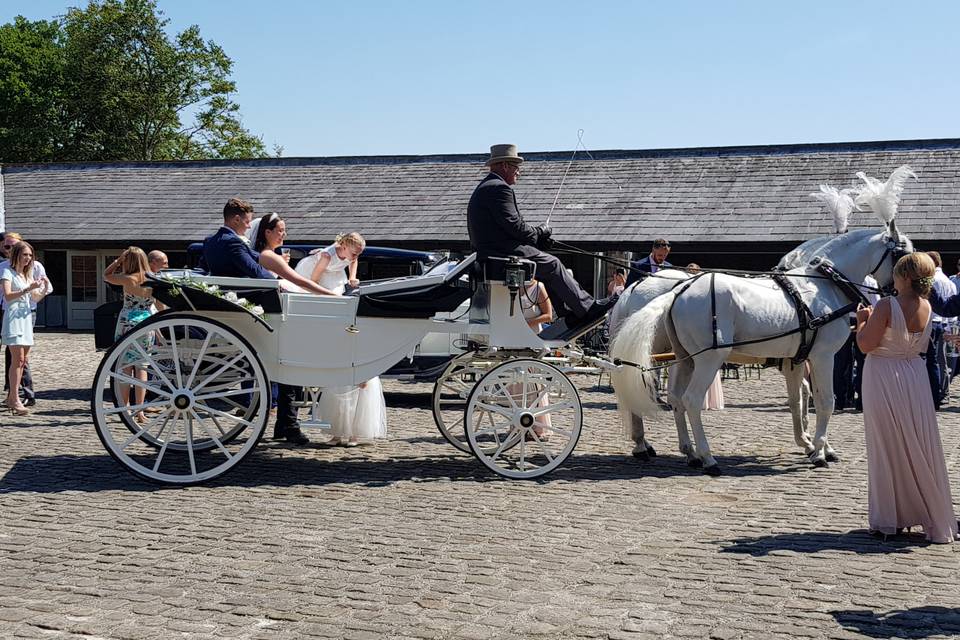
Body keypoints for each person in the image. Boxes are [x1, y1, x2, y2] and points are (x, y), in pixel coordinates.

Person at [856, 252, 957, 543]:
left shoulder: (887, 305)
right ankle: (920, 509)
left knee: (887, 445)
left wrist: (863, 320)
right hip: (914, 377)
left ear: (903, 277)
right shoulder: (926, 305)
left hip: (884, 376)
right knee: (918, 445)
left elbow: (865, 345)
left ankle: (889, 518)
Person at [466, 144, 617, 329]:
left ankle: (568, 313)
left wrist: (536, 239)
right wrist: (540, 233)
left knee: (546, 265)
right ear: (505, 166)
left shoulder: (485, 187)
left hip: (491, 255)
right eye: (516, 167)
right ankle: (586, 308)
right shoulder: (499, 188)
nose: (518, 173)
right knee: (553, 265)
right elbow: (516, 227)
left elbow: (507, 227)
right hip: (501, 255)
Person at [202, 198, 312, 445]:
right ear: (236, 219)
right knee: (289, 358)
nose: (248, 225)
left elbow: (206, 269)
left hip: (236, 305)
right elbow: (255, 272)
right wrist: (280, 281)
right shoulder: (231, 242)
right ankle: (288, 422)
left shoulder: (211, 242)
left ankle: (287, 422)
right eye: (247, 221)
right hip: (254, 307)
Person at [103, 247, 157, 424]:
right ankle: (140, 411)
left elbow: (106, 275)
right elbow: (160, 306)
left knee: (125, 368)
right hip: (146, 323)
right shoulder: (153, 280)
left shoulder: (127, 279)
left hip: (127, 323)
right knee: (142, 368)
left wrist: (118, 261)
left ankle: (123, 408)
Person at [0, 232, 49, 407]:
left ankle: (13, 397)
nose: (27, 258)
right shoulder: (7, 271)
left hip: (26, 316)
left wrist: (42, 288)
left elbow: (34, 299)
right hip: (12, 316)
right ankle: (15, 397)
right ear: (16, 255)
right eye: (24, 255)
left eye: (30, 255)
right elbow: (7, 295)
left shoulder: (26, 274)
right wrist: (28, 289)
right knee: (17, 358)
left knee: (22, 360)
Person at [251, 212, 338, 295]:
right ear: (268, 232)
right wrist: (331, 294)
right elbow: (299, 281)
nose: (284, 234)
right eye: (281, 231)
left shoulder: (267, 254)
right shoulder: (268, 255)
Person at [926, 251, 955, 408]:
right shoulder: (948, 280)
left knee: (932, 361)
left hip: (932, 322)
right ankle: (943, 391)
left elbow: (943, 306)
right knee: (942, 360)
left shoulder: (932, 280)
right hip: (945, 323)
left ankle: (934, 394)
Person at [295, 231, 365, 295]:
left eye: (358, 254)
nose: (356, 257)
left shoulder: (351, 254)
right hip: (315, 272)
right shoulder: (327, 256)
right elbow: (314, 280)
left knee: (336, 294)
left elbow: (354, 261)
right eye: (354, 254)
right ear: (344, 247)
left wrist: (352, 277)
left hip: (333, 272)